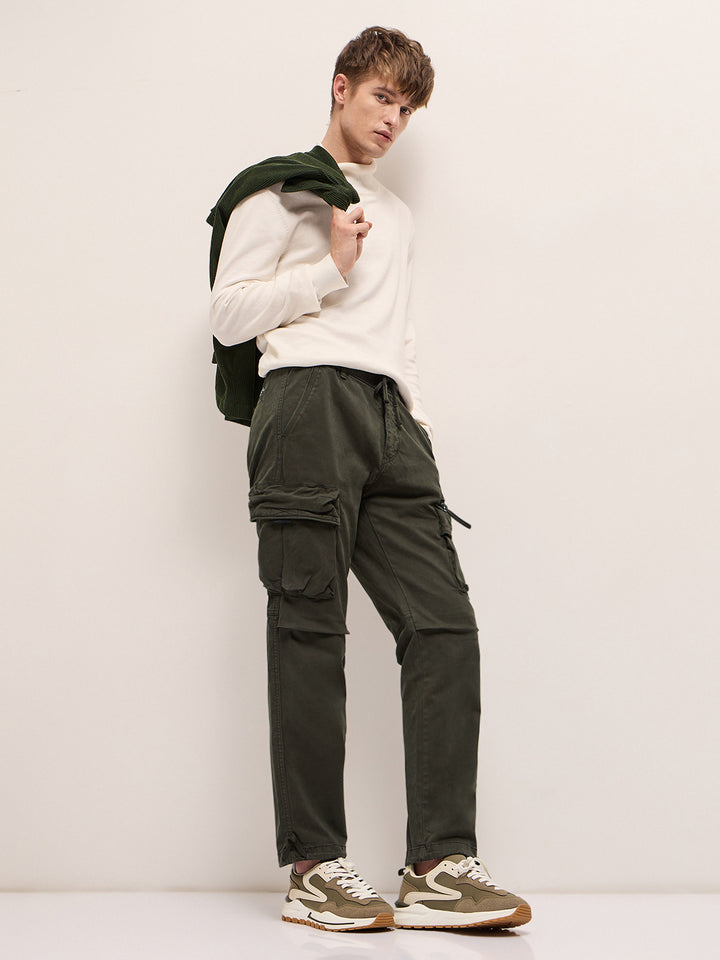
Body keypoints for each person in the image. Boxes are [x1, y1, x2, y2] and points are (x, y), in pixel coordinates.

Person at [208, 25, 532, 933]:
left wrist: (415, 422)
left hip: (390, 420)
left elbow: (400, 329)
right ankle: (315, 867)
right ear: (342, 87)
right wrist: (327, 267)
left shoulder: (397, 212)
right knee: (310, 630)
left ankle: (438, 866)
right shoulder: (279, 189)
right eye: (383, 96)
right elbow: (228, 315)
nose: (394, 119)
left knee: (443, 624)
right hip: (306, 404)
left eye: (408, 107)